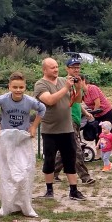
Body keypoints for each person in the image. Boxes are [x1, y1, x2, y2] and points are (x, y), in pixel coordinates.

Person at [0, 72, 46, 216]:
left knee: (24, 170)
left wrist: (34, 126)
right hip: (7, 139)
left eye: (21, 87)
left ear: (25, 87)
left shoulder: (29, 101)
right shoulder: (3, 99)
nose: (18, 90)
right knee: (8, 172)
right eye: (15, 87)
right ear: (9, 87)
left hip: (22, 139)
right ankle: (8, 204)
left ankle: (24, 204)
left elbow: (42, 108)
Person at [33, 57, 86, 200]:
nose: (56, 70)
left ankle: (73, 190)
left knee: (70, 159)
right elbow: (50, 100)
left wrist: (78, 88)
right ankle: (49, 190)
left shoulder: (63, 81)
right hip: (50, 129)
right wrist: (66, 88)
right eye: (52, 67)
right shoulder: (40, 84)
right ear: (44, 70)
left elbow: (76, 100)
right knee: (49, 160)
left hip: (67, 128)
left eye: (57, 67)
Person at [54, 56, 95, 185]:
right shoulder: (63, 83)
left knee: (65, 148)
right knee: (76, 148)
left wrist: (85, 112)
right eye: (73, 67)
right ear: (67, 69)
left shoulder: (78, 83)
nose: (76, 69)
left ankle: (52, 172)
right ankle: (85, 177)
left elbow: (77, 101)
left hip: (76, 119)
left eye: (78, 67)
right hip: (68, 118)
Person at [81, 75, 112, 157]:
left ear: (83, 81)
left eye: (79, 81)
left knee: (108, 132)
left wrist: (92, 114)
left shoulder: (92, 88)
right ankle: (98, 155)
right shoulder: (82, 93)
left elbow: (97, 103)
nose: (77, 84)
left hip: (105, 112)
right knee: (97, 134)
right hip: (97, 114)